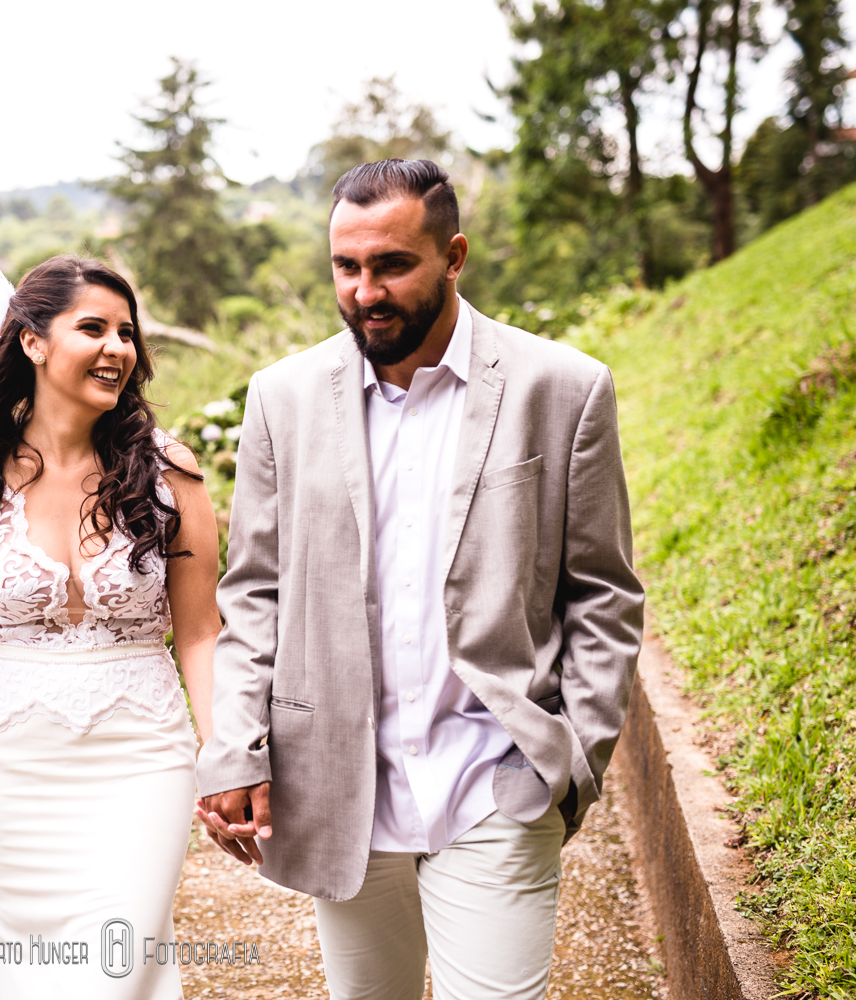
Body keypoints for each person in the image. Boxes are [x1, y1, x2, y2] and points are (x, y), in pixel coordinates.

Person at [195, 159, 645, 1000]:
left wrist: (570, 761)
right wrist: (235, 749)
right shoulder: (281, 398)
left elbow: (603, 593)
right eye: (346, 266)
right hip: (340, 792)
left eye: (393, 265)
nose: (366, 292)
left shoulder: (563, 388)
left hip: (495, 786)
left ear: (454, 256)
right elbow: (255, 592)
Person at [0, 254, 220, 999]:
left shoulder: (170, 474)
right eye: (93, 328)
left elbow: (199, 633)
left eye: (127, 333)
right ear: (31, 341)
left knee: (116, 968)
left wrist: (221, 749)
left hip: (142, 758)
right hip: (7, 765)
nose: (117, 348)